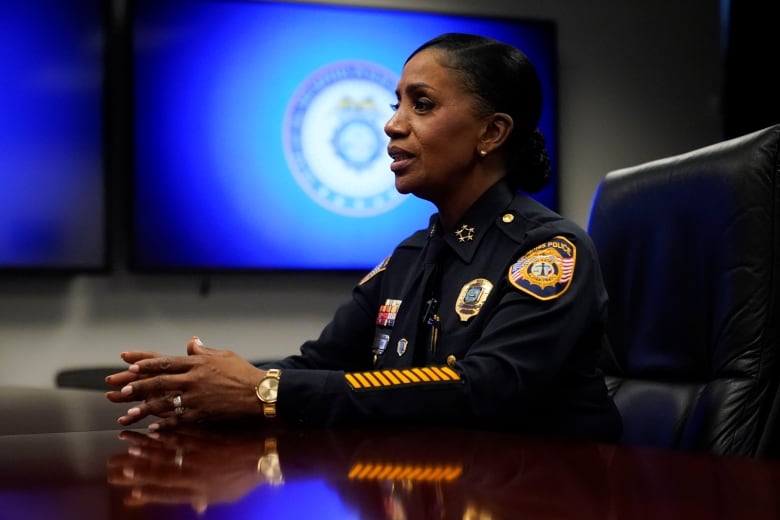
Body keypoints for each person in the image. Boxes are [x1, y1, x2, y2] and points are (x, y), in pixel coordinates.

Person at [106, 32, 622, 442]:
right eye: (396, 103)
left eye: (421, 105)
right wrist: (209, 394)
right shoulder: (412, 256)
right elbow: (318, 366)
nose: (392, 125)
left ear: (492, 133)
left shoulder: (548, 250)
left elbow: (483, 390)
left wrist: (266, 391)